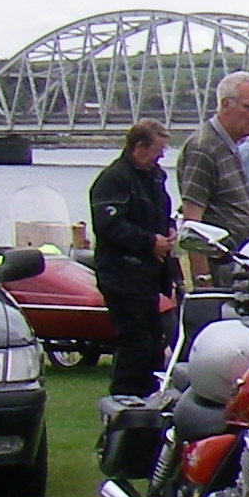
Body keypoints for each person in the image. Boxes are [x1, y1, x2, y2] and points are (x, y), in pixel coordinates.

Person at [87, 120, 176, 398]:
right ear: (139, 147)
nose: (160, 157)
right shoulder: (113, 180)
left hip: (148, 275)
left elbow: (160, 212)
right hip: (122, 273)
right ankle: (125, 397)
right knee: (134, 340)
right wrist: (150, 242)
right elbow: (109, 225)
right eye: (157, 151)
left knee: (153, 340)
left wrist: (169, 228)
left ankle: (148, 396)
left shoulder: (154, 178)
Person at [174, 72, 249, 248]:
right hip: (222, 260)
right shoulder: (203, 149)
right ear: (225, 105)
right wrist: (202, 267)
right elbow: (193, 226)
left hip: (246, 256)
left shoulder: (228, 144)